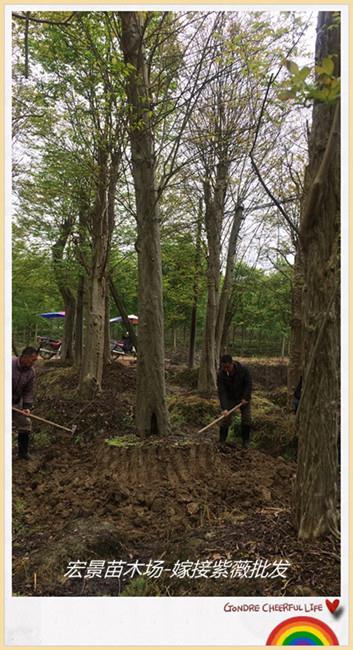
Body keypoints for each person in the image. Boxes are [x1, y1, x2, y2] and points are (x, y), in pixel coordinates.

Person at [217, 354, 252, 449]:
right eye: (224, 368)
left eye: (228, 367)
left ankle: (246, 442)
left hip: (243, 398)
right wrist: (224, 407)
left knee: (246, 418)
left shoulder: (243, 370)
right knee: (225, 419)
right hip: (230, 398)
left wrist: (245, 397)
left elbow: (248, 384)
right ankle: (221, 441)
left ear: (232, 363)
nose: (226, 370)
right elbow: (222, 392)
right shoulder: (221, 374)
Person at [12, 346, 38, 459]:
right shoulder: (9, 364)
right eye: (32, 360)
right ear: (24, 357)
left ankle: (23, 453)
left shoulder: (31, 373)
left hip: (16, 402)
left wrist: (27, 407)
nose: (33, 363)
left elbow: (28, 391)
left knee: (25, 424)